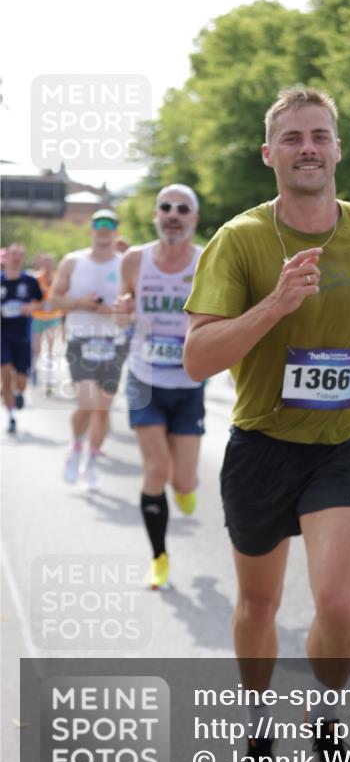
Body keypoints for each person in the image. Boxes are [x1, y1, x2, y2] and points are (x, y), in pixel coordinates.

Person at [183, 86, 350, 762]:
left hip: (345, 441)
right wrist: (276, 303)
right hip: (262, 443)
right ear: (269, 154)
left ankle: (327, 717)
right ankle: (257, 729)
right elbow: (196, 358)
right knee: (259, 604)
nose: (307, 148)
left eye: (319, 136)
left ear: (337, 149)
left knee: (338, 604)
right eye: (292, 138)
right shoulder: (239, 240)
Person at [114, 185, 205, 591]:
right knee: (156, 469)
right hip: (143, 378)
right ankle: (159, 558)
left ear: (193, 219)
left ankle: (185, 488)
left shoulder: (207, 261)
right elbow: (123, 310)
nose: (173, 214)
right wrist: (121, 311)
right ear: (156, 215)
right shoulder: (134, 260)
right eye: (165, 207)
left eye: (182, 209)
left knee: (183, 482)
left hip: (188, 382)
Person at [50, 209, 124, 488]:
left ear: (116, 231)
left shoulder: (126, 264)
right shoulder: (73, 261)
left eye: (109, 224)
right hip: (81, 340)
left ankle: (91, 462)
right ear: (91, 230)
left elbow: (134, 310)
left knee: (102, 410)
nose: (104, 228)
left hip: (114, 343)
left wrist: (114, 312)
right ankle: (76, 447)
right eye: (99, 224)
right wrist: (80, 303)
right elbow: (54, 300)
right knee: (87, 403)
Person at [1, 243, 43, 433]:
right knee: (5, 374)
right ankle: (11, 417)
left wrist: (30, 308)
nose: (16, 258)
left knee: (21, 381)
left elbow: (42, 303)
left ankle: (19, 393)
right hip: (2, 336)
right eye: (13, 254)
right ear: (7, 257)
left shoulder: (30, 281)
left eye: (20, 255)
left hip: (22, 336)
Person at [31, 254, 63, 395]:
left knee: (50, 347)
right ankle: (34, 370)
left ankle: (49, 378)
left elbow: (62, 296)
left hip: (53, 317)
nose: (48, 265)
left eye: (50, 262)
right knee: (37, 348)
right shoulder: (36, 278)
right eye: (45, 262)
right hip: (38, 317)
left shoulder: (58, 278)